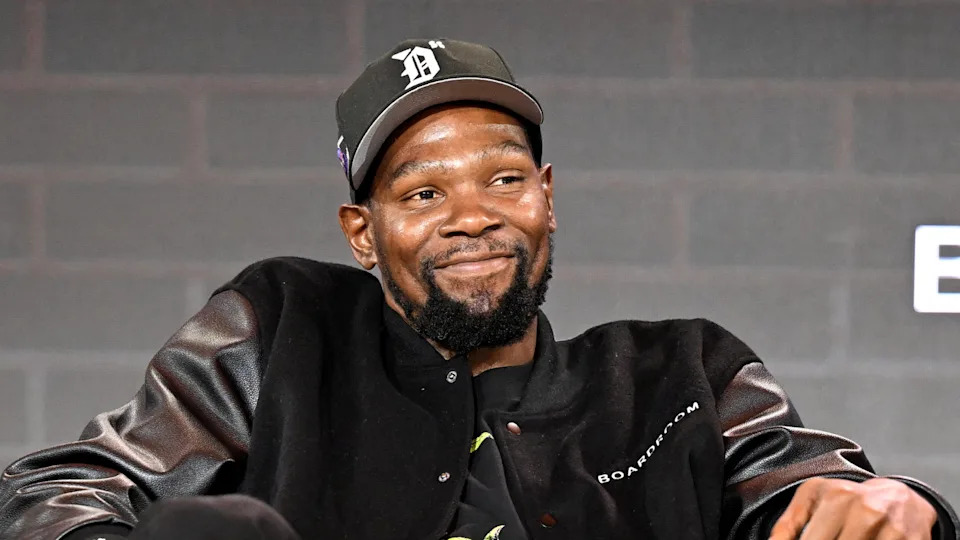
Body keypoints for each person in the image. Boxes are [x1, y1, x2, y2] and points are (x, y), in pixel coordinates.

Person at [0, 38, 957, 540]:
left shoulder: (679, 371)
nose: (472, 215)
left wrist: (898, 500)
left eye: (503, 177)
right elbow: (66, 486)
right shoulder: (281, 327)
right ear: (363, 234)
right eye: (422, 192)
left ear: (547, 198)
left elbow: (808, 486)